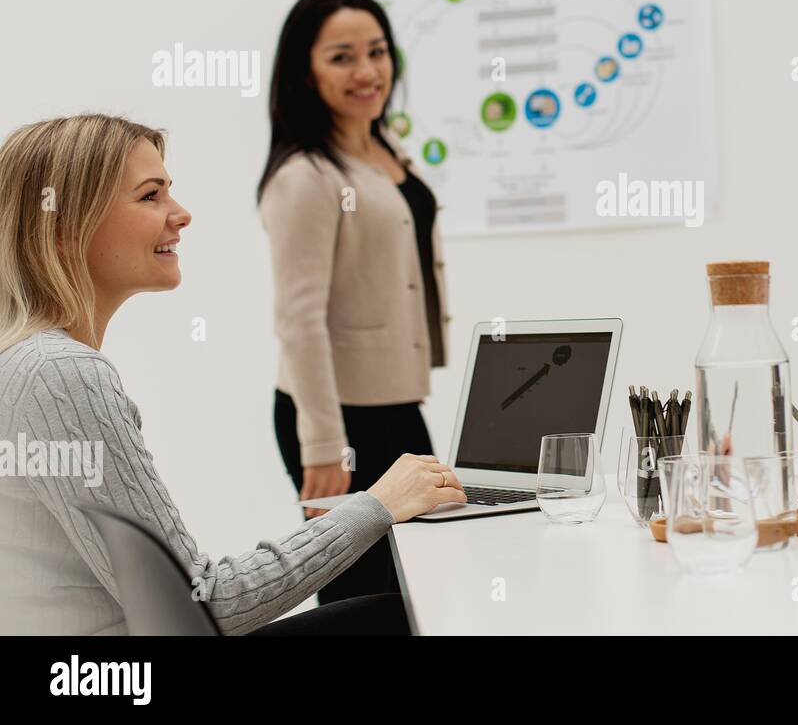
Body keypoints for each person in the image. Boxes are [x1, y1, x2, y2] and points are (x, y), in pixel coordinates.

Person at [0, 114, 465, 635]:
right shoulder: (60, 375)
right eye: (150, 196)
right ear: (63, 231)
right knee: (400, 617)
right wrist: (376, 505)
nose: (182, 215)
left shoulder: (25, 361)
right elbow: (201, 603)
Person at [257, 0, 451, 603]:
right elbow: (299, 319)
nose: (366, 70)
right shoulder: (305, 175)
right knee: (362, 596)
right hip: (339, 416)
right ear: (304, 71)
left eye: (377, 51)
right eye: (341, 56)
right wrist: (322, 444)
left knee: (418, 581)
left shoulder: (383, 152)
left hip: (394, 403)